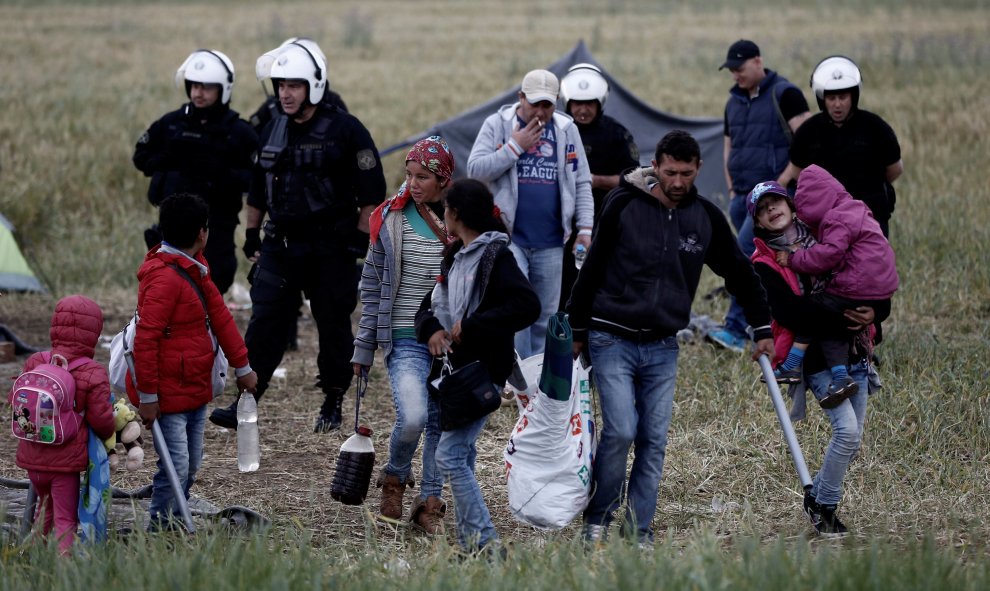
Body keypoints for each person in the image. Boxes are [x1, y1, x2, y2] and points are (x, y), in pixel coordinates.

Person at [566, 130, 775, 547]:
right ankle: (598, 517)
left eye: (686, 172)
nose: (678, 181)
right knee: (622, 430)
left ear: (698, 168)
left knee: (654, 439)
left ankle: (638, 528)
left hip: (663, 344)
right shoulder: (623, 204)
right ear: (655, 166)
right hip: (612, 337)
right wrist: (576, 329)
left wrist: (763, 328)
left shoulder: (705, 217)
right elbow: (591, 269)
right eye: (670, 172)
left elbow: (740, 273)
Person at [209, 41, 386, 433]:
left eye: (295, 85)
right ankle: (247, 400)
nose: (286, 93)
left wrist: (359, 241)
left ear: (314, 86)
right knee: (265, 320)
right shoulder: (271, 127)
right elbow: (258, 188)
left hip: (331, 247)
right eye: (281, 85)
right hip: (281, 245)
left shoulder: (346, 129)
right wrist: (252, 233)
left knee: (333, 323)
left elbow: (372, 191)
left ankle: (334, 398)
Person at [748, 177, 889, 535]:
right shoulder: (764, 263)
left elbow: (870, 274)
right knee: (846, 433)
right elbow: (793, 314)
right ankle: (822, 504)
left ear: (793, 206)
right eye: (763, 210)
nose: (772, 210)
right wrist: (844, 310)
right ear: (759, 223)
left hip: (855, 349)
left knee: (853, 440)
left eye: (777, 202)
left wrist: (876, 311)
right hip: (815, 360)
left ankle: (819, 500)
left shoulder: (828, 234)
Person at [415, 179, 540, 555]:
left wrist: (473, 325)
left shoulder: (496, 257)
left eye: (447, 208)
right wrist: (433, 330)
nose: (443, 213)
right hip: (452, 372)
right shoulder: (455, 255)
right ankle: (472, 544)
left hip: (481, 371)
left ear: (456, 215)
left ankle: (486, 543)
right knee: (462, 455)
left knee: (450, 455)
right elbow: (429, 307)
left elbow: (527, 306)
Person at [129, 193, 258, 530]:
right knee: (176, 464)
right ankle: (160, 525)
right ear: (203, 232)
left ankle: (174, 516)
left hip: (195, 389)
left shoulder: (195, 270)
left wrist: (242, 367)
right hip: (166, 396)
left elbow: (222, 319)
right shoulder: (164, 279)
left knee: (191, 463)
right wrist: (148, 397)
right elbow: (145, 340)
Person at [351, 136, 456, 533]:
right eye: (409, 174)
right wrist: (363, 348)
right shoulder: (390, 220)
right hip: (404, 336)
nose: (413, 183)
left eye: (423, 177)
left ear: (443, 181)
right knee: (412, 415)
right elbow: (373, 287)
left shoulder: (460, 221)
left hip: (449, 342)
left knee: (440, 422)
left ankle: (430, 501)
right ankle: (394, 476)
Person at [466, 69, 593, 358]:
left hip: (551, 241)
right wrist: (514, 147)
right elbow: (475, 170)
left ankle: (538, 387)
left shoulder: (565, 128)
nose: (540, 111)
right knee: (517, 309)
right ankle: (517, 380)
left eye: (547, 104)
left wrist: (584, 228)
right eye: (534, 103)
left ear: (557, 102)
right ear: (520, 97)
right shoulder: (498, 124)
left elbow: (582, 180)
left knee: (546, 315)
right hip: (511, 240)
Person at [708, 40, 811, 354]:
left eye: (740, 68)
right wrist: (730, 185)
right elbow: (730, 144)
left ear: (758, 62)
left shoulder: (786, 94)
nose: (736, 75)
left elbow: (808, 141)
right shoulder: (733, 102)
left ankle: (736, 329)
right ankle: (771, 324)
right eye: (732, 70)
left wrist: (783, 181)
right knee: (764, 265)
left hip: (770, 201)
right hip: (741, 198)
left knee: (741, 259)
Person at [133, 49, 259, 295]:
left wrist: (220, 174)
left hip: (217, 224)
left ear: (222, 89)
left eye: (206, 87)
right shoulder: (171, 124)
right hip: (172, 224)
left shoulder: (239, 132)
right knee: (166, 284)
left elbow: (259, 178)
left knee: (215, 280)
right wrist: (168, 158)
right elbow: (141, 157)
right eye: (194, 86)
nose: (198, 93)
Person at [771, 167, 898, 402]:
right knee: (832, 321)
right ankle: (840, 377)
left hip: (855, 286)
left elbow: (828, 255)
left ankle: (791, 363)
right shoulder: (858, 209)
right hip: (879, 287)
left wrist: (792, 259)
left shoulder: (835, 218)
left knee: (812, 309)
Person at [10, 295, 116, 554]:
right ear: (94, 332)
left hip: (32, 458)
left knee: (43, 512)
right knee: (65, 520)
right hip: (65, 464)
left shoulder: (36, 361)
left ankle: (32, 560)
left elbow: (17, 400)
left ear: (54, 325)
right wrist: (114, 428)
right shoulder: (92, 371)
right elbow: (101, 420)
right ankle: (64, 570)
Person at [778, 56, 904, 238]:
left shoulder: (876, 128)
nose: (837, 104)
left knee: (872, 265)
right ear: (822, 99)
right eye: (831, 98)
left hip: (871, 218)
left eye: (843, 97)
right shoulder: (807, 132)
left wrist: (866, 188)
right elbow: (799, 174)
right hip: (823, 222)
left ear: (854, 97)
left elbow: (895, 169)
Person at [557, 63, 640, 309]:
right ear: (566, 102)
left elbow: (634, 178)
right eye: (577, 104)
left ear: (600, 102)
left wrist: (592, 180)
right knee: (561, 283)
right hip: (560, 223)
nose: (583, 110)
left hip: (604, 221)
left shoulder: (617, 135)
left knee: (597, 279)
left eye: (589, 103)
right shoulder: (556, 131)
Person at [248, 37, 349, 134]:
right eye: (281, 85)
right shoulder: (272, 107)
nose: (284, 95)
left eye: (294, 86)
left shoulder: (335, 104)